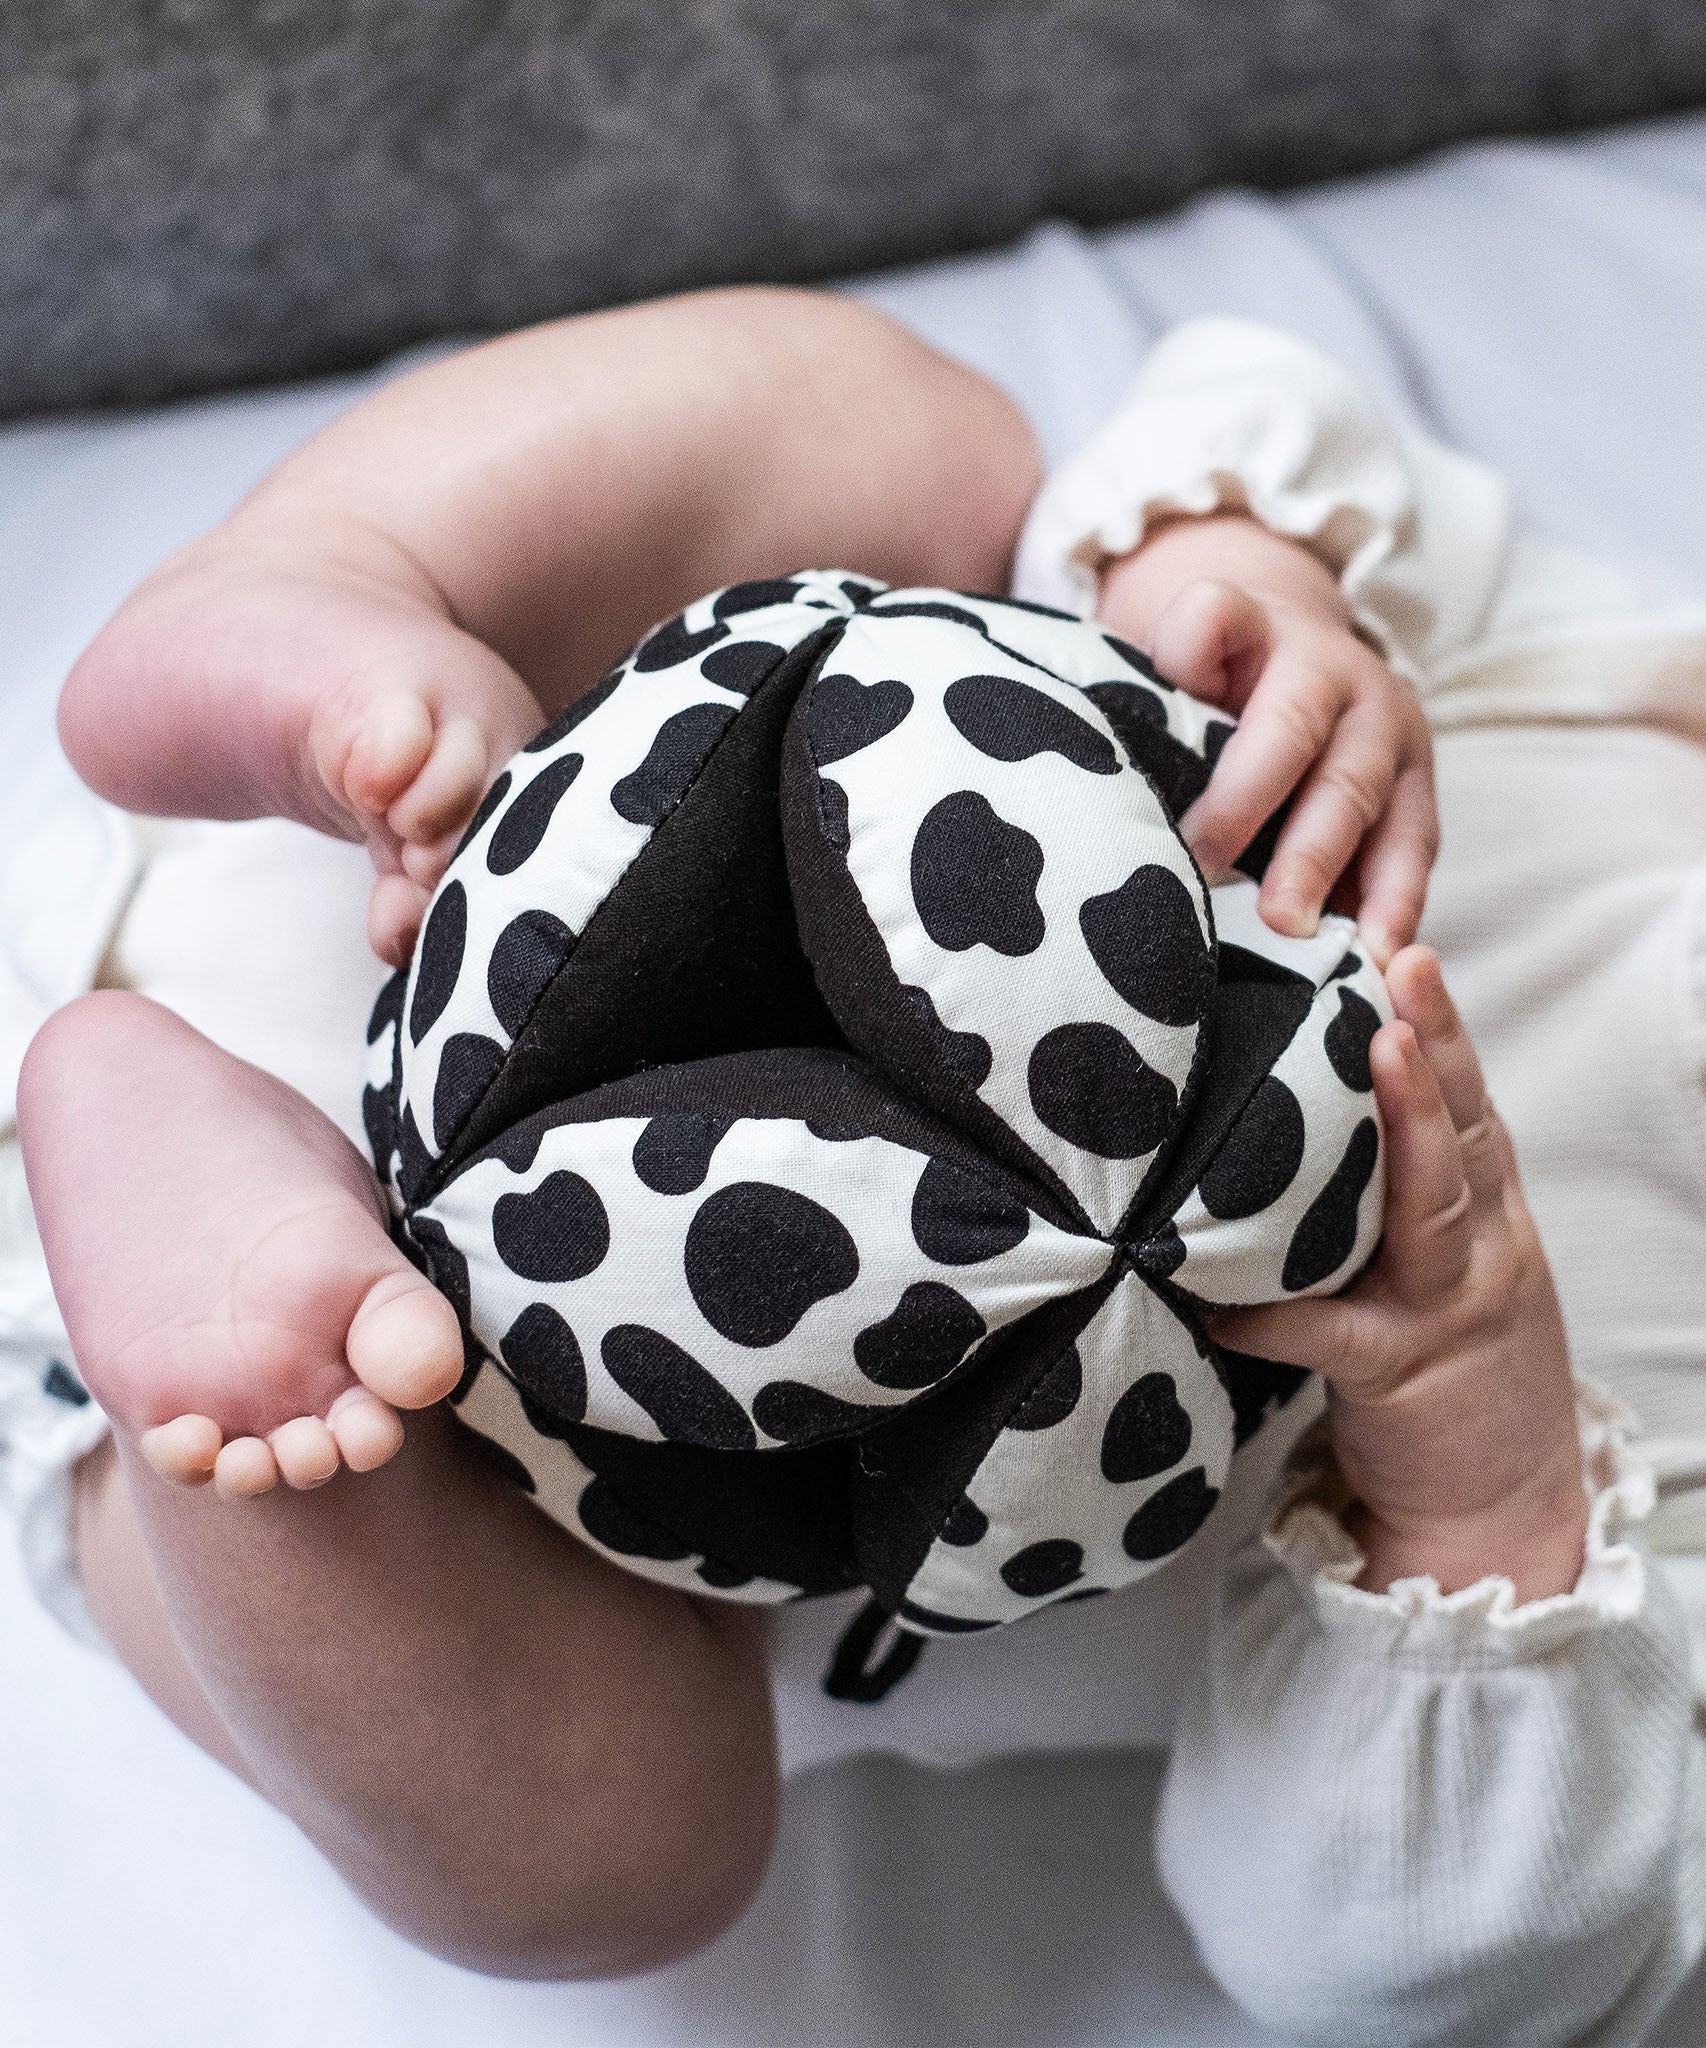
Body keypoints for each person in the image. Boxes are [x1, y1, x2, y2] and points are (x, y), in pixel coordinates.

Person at [4, 289, 1692, 2038]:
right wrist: (1244, 582)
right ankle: (330, 580)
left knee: (618, 1867)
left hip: (486, 1472)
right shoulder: (1630, 717)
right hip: (428, 797)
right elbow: (1261, 402)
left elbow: (1398, 1966)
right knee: (926, 438)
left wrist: (1480, 1492)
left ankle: (254, 1322)